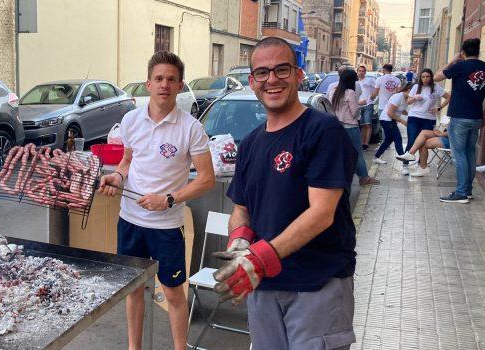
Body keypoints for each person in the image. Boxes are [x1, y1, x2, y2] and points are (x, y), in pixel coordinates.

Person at [212, 37, 357, 350]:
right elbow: (242, 206)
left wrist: (260, 258)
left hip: (316, 284)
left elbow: (321, 213)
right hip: (263, 285)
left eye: (282, 69)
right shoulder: (250, 143)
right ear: (252, 82)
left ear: (298, 74)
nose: (272, 80)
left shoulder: (322, 131)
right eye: (262, 73)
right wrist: (239, 243)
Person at [98, 51, 216, 350]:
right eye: (159, 78)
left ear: (180, 85)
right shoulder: (130, 120)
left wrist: (170, 199)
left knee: (174, 294)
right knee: (134, 290)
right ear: (148, 83)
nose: (165, 84)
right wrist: (117, 178)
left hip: (167, 227)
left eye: (171, 79)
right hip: (130, 222)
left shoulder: (191, 128)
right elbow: (127, 161)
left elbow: (206, 179)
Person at [434, 38, 485, 203]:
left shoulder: (459, 66)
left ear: (463, 52)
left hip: (460, 117)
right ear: (478, 50)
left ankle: (461, 192)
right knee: (470, 153)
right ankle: (467, 190)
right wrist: (484, 115)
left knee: (459, 154)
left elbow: (436, 77)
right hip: (476, 117)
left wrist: (454, 60)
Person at [328, 69, 380, 185]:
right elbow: (355, 111)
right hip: (350, 127)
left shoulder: (332, 91)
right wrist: (359, 108)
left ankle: (339, 176)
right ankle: (364, 178)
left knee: (341, 152)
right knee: (357, 153)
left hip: (337, 127)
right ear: (351, 80)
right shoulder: (350, 92)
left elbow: (330, 108)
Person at [405, 68, 450, 159]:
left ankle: (420, 165)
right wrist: (415, 98)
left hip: (429, 119)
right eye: (423, 77)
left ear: (431, 77)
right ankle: (405, 164)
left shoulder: (436, 88)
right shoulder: (416, 87)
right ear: (420, 78)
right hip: (414, 117)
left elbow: (449, 97)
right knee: (412, 140)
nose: (425, 78)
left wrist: (439, 107)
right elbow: (408, 102)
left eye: (428, 76)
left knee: (424, 142)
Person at [373, 82, 413, 165]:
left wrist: (411, 114)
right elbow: (390, 113)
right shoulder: (398, 97)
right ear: (409, 90)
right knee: (398, 139)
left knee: (388, 141)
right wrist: (402, 121)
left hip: (391, 120)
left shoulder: (406, 98)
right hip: (387, 120)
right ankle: (404, 162)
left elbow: (402, 110)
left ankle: (376, 157)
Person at [357, 65, 376, 149]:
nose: (361, 72)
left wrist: (371, 99)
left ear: (365, 72)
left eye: (363, 71)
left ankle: (366, 143)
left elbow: (376, 90)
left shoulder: (369, 80)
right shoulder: (355, 82)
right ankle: (361, 143)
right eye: (359, 71)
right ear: (357, 72)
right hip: (358, 105)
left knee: (368, 124)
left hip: (368, 105)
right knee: (362, 125)